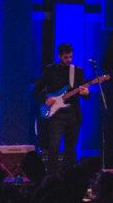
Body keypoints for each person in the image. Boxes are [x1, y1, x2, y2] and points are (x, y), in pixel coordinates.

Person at [33, 43, 89, 174]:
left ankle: (68, 177)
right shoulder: (50, 70)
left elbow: (84, 93)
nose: (69, 60)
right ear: (59, 56)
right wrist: (45, 99)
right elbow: (36, 90)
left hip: (73, 114)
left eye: (70, 57)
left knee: (71, 148)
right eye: (65, 57)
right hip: (56, 115)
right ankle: (52, 177)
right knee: (54, 147)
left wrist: (86, 93)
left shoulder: (77, 71)